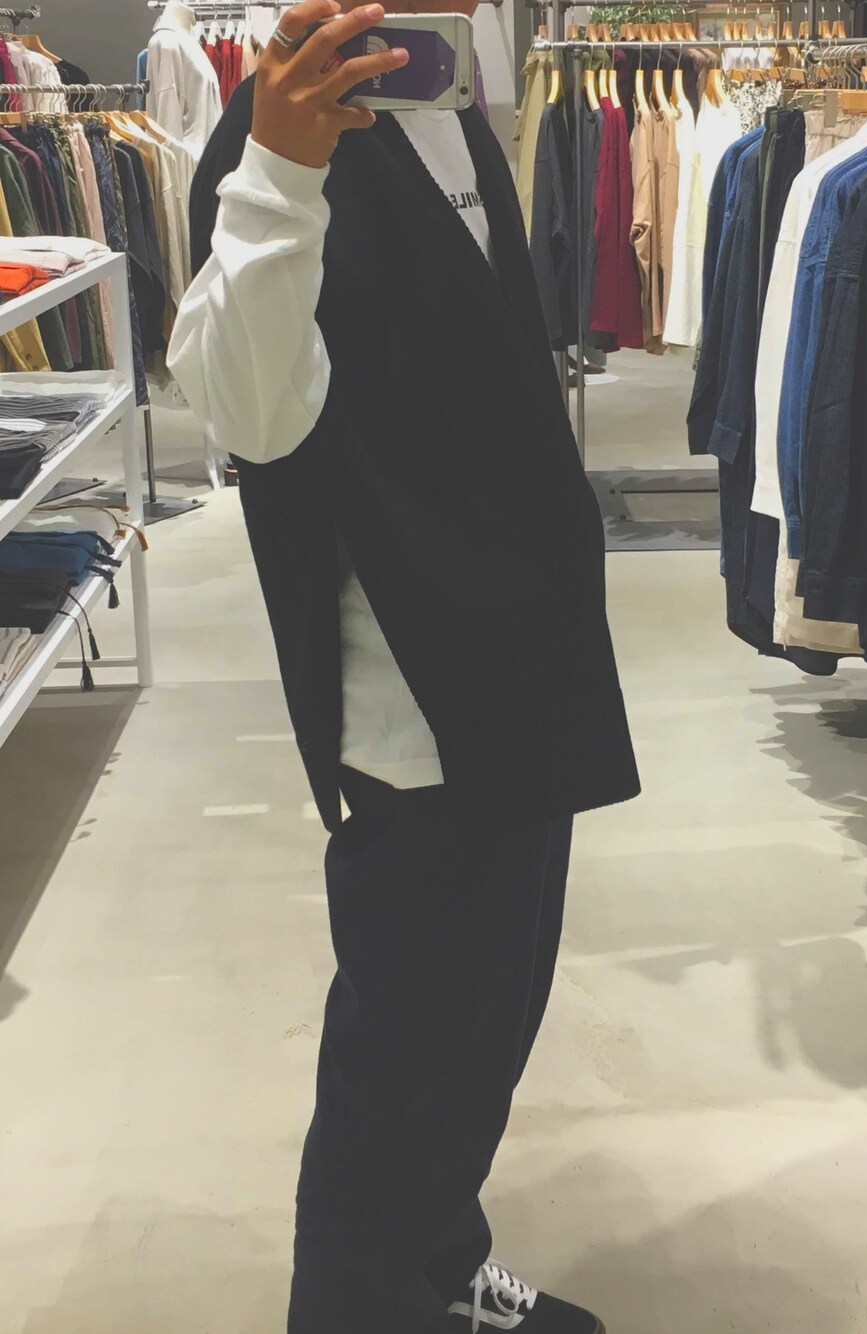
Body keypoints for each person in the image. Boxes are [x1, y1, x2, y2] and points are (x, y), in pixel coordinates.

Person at [168, 1, 639, 1329]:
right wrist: (280, 171)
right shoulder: (279, 139)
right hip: (414, 694)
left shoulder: (449, 109)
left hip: (522, 660)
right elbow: (250, 415)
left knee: (485, 1029)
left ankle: (438, 1260)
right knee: (407, 1054)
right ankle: (355, 1303)